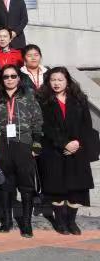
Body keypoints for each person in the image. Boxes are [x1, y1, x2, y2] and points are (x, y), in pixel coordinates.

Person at [38, 67, 95, 236]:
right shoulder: (43, 100)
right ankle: (60, 221)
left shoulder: (79, 99)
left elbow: (87, 124)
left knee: (77, 189)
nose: (56, 83)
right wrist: (64, 144)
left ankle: (71, 221)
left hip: (77, 150)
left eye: (60, 80)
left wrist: (77, 143)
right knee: (56, 188)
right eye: (53, 80)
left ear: (67, 81)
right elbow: (44, 126)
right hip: (54, 150)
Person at [0, 65, 42, 237]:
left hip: (23, 143)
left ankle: (26, 224)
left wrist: (36, 143)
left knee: (26, 186)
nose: (10, 79)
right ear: (1, 79)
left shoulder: (28, 95)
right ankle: (7, 221)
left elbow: (37, 120)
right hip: (2, 144)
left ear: (19, 78)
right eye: (6, 76)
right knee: (5, 185)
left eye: (13, 76)